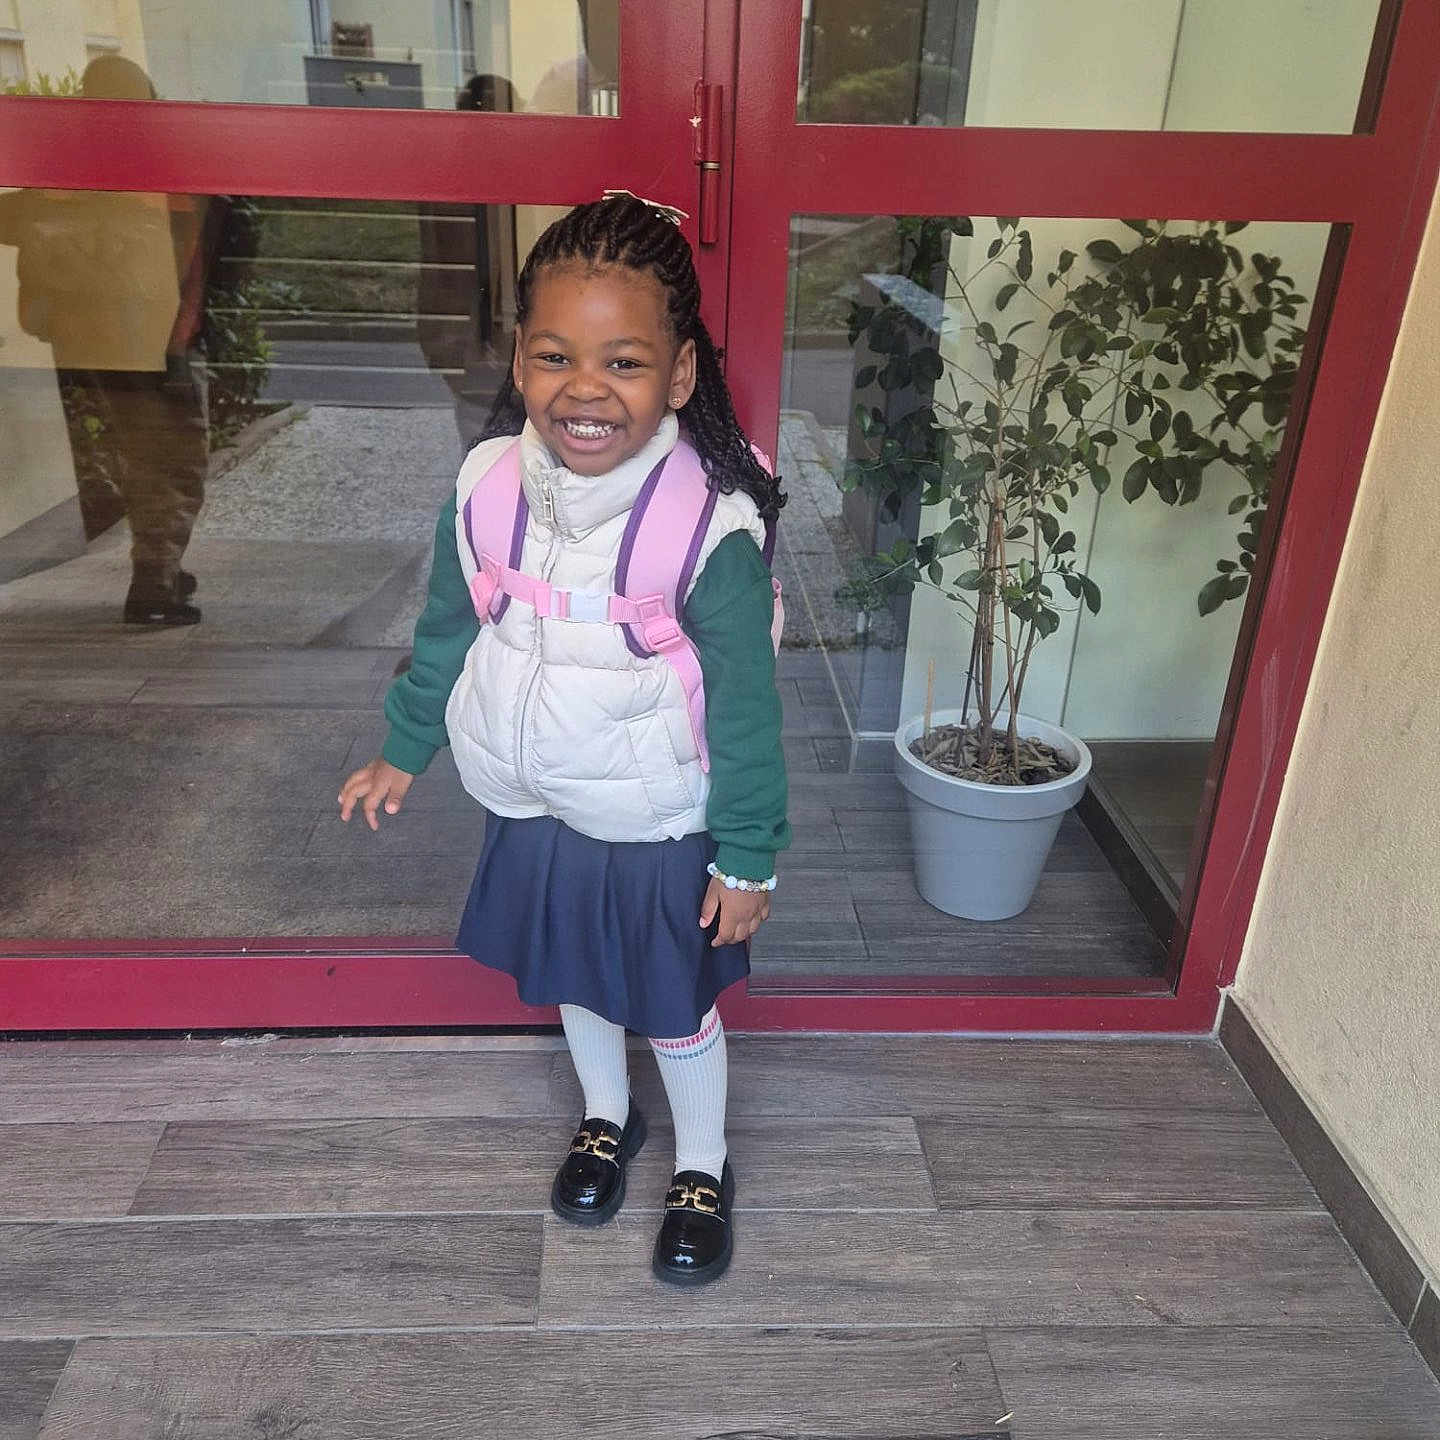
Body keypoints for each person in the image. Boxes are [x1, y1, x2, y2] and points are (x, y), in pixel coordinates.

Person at [339, 193, 789, 1286]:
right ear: (520, 360)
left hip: (654, 820)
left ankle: (704, 1165)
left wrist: (747, 852)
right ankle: (605, 1117)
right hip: (537, 800)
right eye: (555, 356)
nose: (585, 389)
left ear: (679, 376)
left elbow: (746, 708)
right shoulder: (487, 487)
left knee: (673, 1007)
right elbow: (448, 624)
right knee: (579, 985)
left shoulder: (704, 527)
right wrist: (406, 745)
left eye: (625, 363)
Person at [0, 55, 218, 624]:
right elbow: (192, 255)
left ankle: (162, 565)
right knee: (172, 459)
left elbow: (13, 220)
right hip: (151, 341)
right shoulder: (159, 162)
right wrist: (181, 340)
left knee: (136, 453)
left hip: (83, 341)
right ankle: (153, 588)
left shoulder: (61, 162)